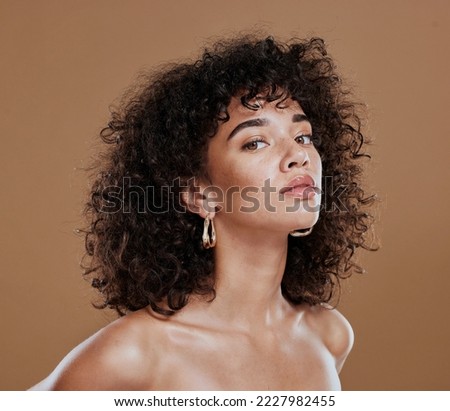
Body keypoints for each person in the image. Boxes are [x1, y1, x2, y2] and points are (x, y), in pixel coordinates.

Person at [30, 35, 376, 390]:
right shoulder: (135, 354)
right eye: (255, 142)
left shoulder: (329, 335)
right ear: (199, 194)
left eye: (303, 136)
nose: (298, 155)